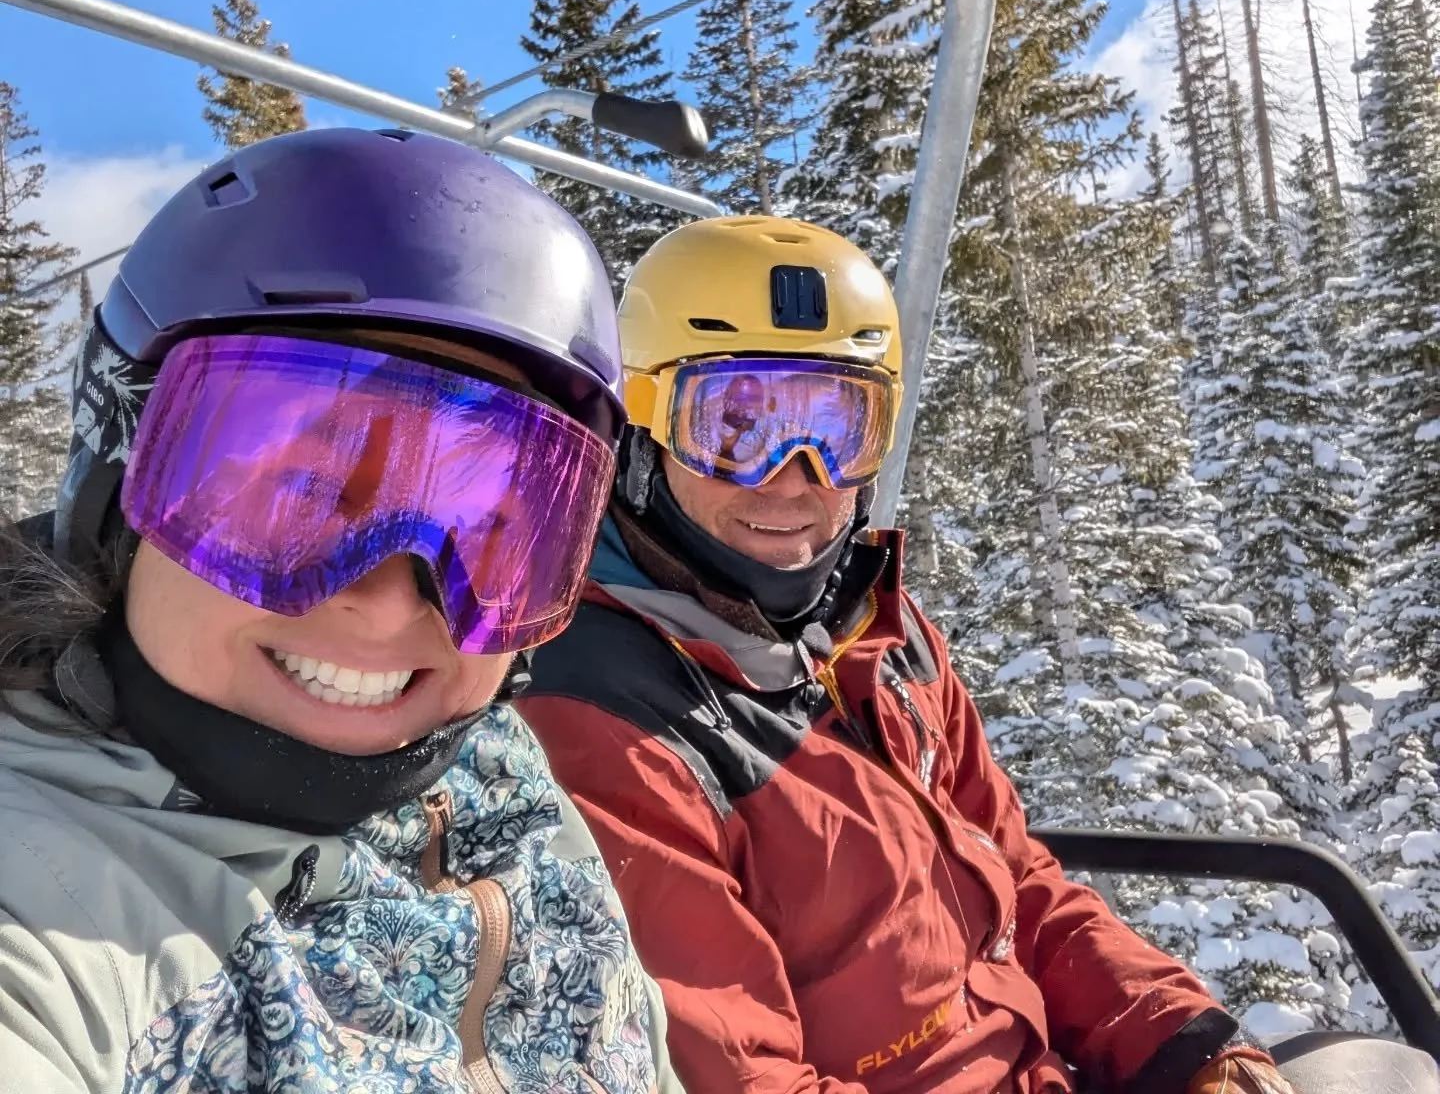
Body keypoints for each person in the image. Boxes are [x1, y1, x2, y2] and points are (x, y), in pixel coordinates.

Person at [517, 216, 1437, 1094]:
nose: (796, 480)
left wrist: (1186, 1045)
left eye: (837, 430)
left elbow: (1020, 882)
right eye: (736, 427)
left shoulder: (882, 635)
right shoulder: (605, 713)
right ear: (643, 424)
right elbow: (738, 1072)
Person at [0, 127, 683, 1094]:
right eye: (298, 499)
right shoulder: (44, 919)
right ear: (119, 488)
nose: (388, 605)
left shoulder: (501, 772)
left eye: (487, 530)